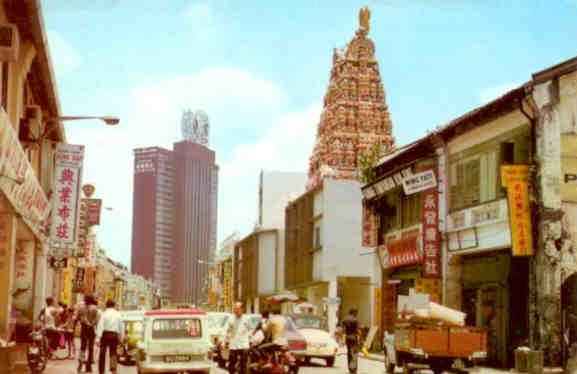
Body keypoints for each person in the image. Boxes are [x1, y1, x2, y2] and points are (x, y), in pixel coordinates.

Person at [96, 300, 123, 374]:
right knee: (113, 353)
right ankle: (113, 369)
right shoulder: (118, 314)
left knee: (102, 353)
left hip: (105, 334)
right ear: (114, 305)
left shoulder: (104, 314)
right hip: (114, 335)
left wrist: (98, 338)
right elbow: (121, 327)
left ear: (106, 305)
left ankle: (101, 371)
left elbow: (100, 326)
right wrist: (121, 338)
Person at [225, 302, 251, 374]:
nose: (235, 310)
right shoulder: (231, 319)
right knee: (231, 366)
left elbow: (250, 329)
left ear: (242, 309)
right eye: (234, 308)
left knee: (243, 366)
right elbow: (228, 331)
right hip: (233, 345)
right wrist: (226, 341)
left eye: (237, 308)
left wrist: (249, 337)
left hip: (244, 345)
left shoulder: (247, 318)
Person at [76, 295, 100, 373]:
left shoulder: (81, 308)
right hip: (91, 329)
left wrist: (85, 322)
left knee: (83, 346)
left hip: (84, 328)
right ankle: (89, 366)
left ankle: (80, 364)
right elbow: (97, 319)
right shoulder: (95, 308)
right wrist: (92, 324)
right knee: (90, 347)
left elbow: (78, 318)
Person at [340, 308, 360, 374]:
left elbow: (342, 330)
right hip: (354, 337)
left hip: (347, 337)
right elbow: (357, 331)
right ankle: (353, 369)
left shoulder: (344, 319)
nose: (357, 314)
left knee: (349, 353)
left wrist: (342, 339)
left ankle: (350, 368)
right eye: (356, 313)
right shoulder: (355, 320)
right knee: (354, 353)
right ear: (354, 312)